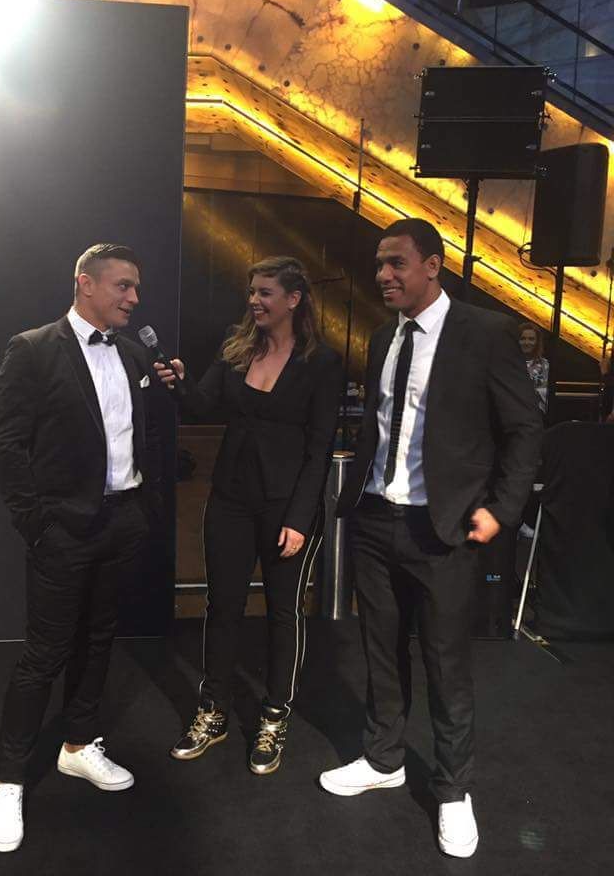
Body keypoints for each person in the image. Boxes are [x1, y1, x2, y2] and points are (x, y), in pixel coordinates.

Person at [319, 219, 542, 858]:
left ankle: (452, 790)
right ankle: (384, 758)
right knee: (381, 650)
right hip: (375, 519)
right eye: (379, 264)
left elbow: (525, 429)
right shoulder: (382, 336)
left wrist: (501, 508)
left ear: (433, 265)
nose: (383, 275)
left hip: (442, 529)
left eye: (396, 263)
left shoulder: (485, 333)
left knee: (446, 664)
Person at [0, 244, 162, 852]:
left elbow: (138, 432)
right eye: (123, 285)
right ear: (86, 283)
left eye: (136, 287)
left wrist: (142, 507)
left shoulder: (133, 351)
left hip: (122, 521)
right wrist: (34, 523)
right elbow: (5, 445)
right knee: (45, 654)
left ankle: (79, 745)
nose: (134, 297)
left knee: (99, 637)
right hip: (62, 530)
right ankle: (9, 779)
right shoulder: (33, 349)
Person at [156, 256, 342, 775]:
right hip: (231, 500)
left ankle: (274, 716)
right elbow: (201, 407)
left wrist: (300, 519)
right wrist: (179, 385)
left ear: (293, 299)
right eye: (252, 292)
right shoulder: (236, 347)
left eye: (265, 292)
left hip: (287, 508)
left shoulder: (322, 363)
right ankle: (213, 710)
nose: (254, 301)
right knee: (223, 606)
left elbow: (320, 449)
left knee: (284, 613)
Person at [518, 321, 549, 413]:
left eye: (531, 339)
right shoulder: (508, 363)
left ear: (537, 342)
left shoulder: (545, 365)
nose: (526, 342)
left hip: (536, 413)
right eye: (522, 339)